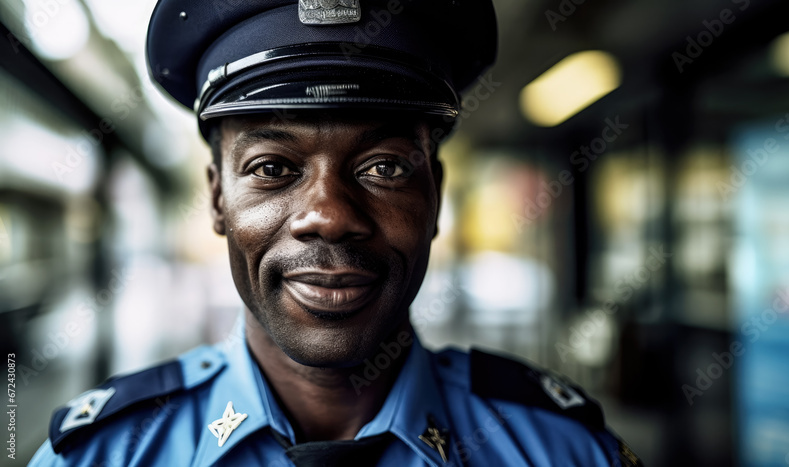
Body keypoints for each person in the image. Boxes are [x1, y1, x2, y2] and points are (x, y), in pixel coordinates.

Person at [28, 0, 642, 465]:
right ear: (217, 198)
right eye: (272, 168)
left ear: (435, 195)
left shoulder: (565, 449)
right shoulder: (96, 454)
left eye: (383, 167)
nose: (330, 215)